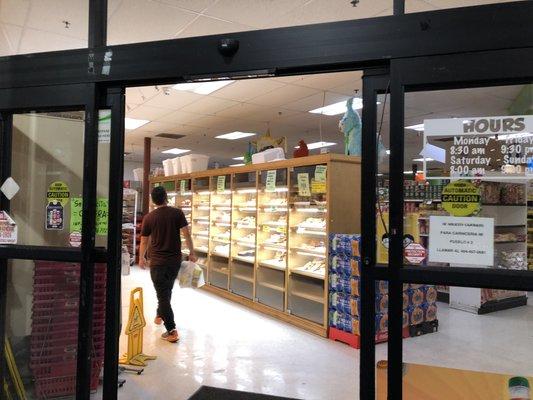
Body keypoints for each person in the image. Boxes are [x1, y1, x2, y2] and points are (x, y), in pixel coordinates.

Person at [139, 186, 196, 343]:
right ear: (166, 197)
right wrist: (192, 252)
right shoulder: (177, 213)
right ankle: (160, 314)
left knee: (163, 294)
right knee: (166, 290)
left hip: (157, 262)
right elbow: (186, 234)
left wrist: (141, 257)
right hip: (174, 261)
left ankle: (171, 330)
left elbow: (144, 240)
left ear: (153, 200)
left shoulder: (149, 218)